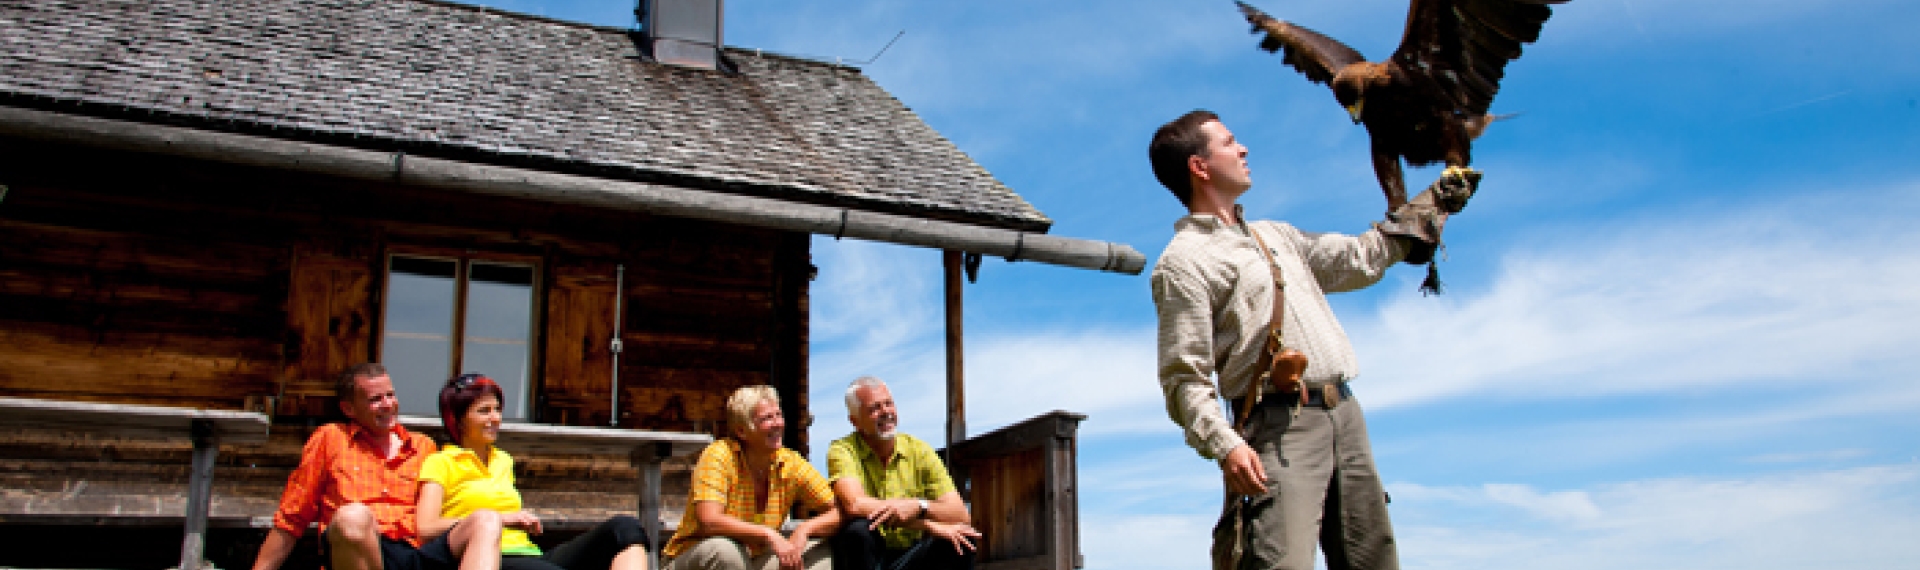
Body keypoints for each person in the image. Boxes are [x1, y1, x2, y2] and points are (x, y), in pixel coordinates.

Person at [1147, 110, 1475, 570]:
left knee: (1374, 561)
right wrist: (1225, 445)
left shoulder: (1276, 236)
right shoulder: (1183, 263)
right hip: (1279, 429)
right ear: (1199, 167)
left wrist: (1434, 202)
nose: (1243, 150)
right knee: (1281, 562)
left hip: (1346, 414)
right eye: (1229, 142)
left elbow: (1362, 258)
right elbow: (1184, 378)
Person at [251, 363, 504, 570]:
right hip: (361, 550)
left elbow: (444, 509)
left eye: (390, 395)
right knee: (354, 516)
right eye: (375, 399)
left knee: (486, 519)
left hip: (413, 552)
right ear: (348, 408)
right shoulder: (330, 439)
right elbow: (291, 517)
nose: (387, 404)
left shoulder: (422, 446)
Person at [417, 373, 651, 570]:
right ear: (458, 420)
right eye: (483, 411)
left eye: (497, 409)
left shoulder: (503, 460)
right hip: (493, 557)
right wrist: (501, 519)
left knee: (625, 528)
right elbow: (425, 527)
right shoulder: (441, 462)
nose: (495, 418)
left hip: (530, 553)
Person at [660, 386, 841, 570]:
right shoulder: (720, 454)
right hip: (692, 558)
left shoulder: (790, 462)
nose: (777, 423)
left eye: (778, 415)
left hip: (754, 559)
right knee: (725, 551)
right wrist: (768, 534)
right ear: (742, 431)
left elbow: (839, 510)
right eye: (767, 418)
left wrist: (805, 529)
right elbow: (710, 521)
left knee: (820, 552)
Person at [825, 377, 979, 570]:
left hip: (909, 554)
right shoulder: (842, 449)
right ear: (855, 421)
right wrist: (926, 524)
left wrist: (919, 506)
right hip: (866, 555)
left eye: (889, 403)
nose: (885, 412)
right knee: (859, 531)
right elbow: (854, 504)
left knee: (961, 538)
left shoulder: (919, 450)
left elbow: (960, 514)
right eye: (874, 408)